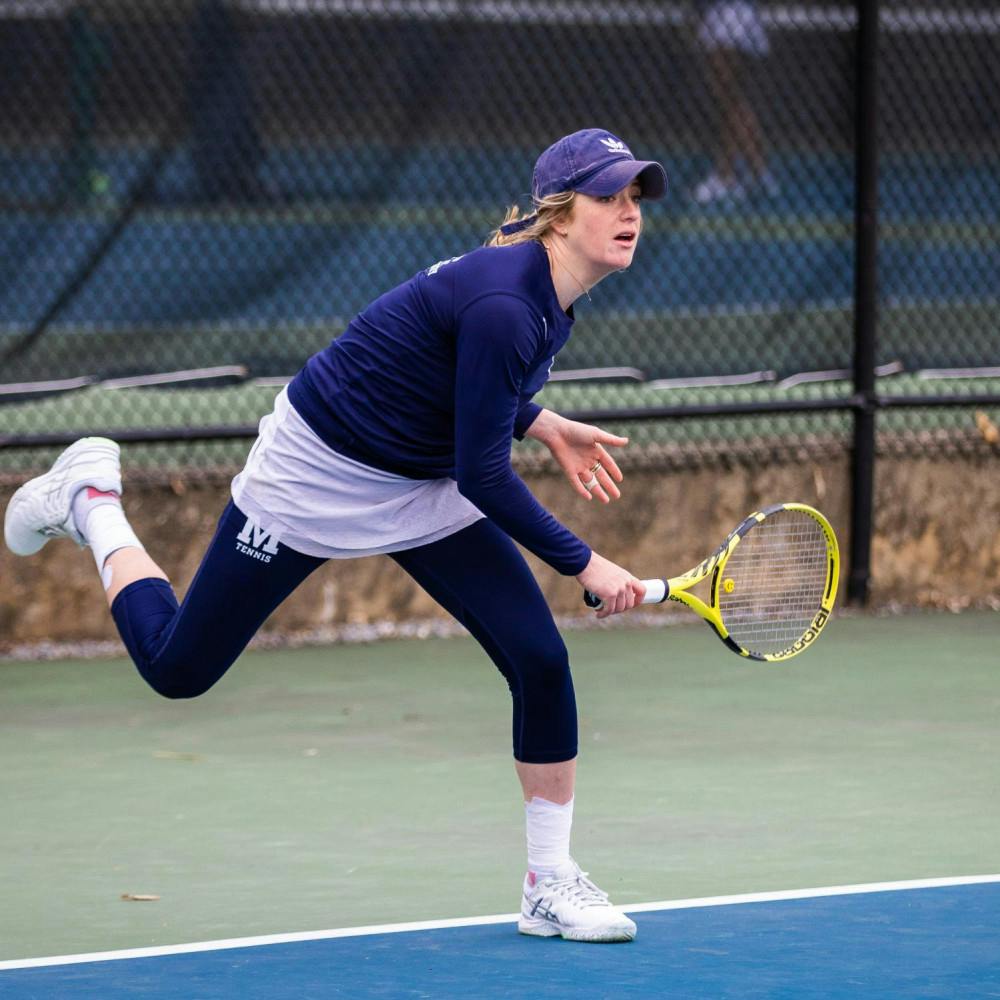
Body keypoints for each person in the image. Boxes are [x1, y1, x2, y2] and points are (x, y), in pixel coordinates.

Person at [4, 128, 666, 944]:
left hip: (418, 480)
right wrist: (588, 562)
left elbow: (445, 374)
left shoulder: (545, 296)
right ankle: (92, 501)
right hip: (317, 473)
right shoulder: (509, 302)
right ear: (559, 216)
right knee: (178, 669)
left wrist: (539, 420)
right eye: (608, 197)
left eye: (635, 197)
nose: (628, 213)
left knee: (539, 658)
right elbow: (484, 475)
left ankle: (548, 885)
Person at [692, 1, 777, 205]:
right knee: (730, 99)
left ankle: (728, 174)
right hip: (724, 12)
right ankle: (757, 170)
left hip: (730, 13)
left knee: (729, 97)